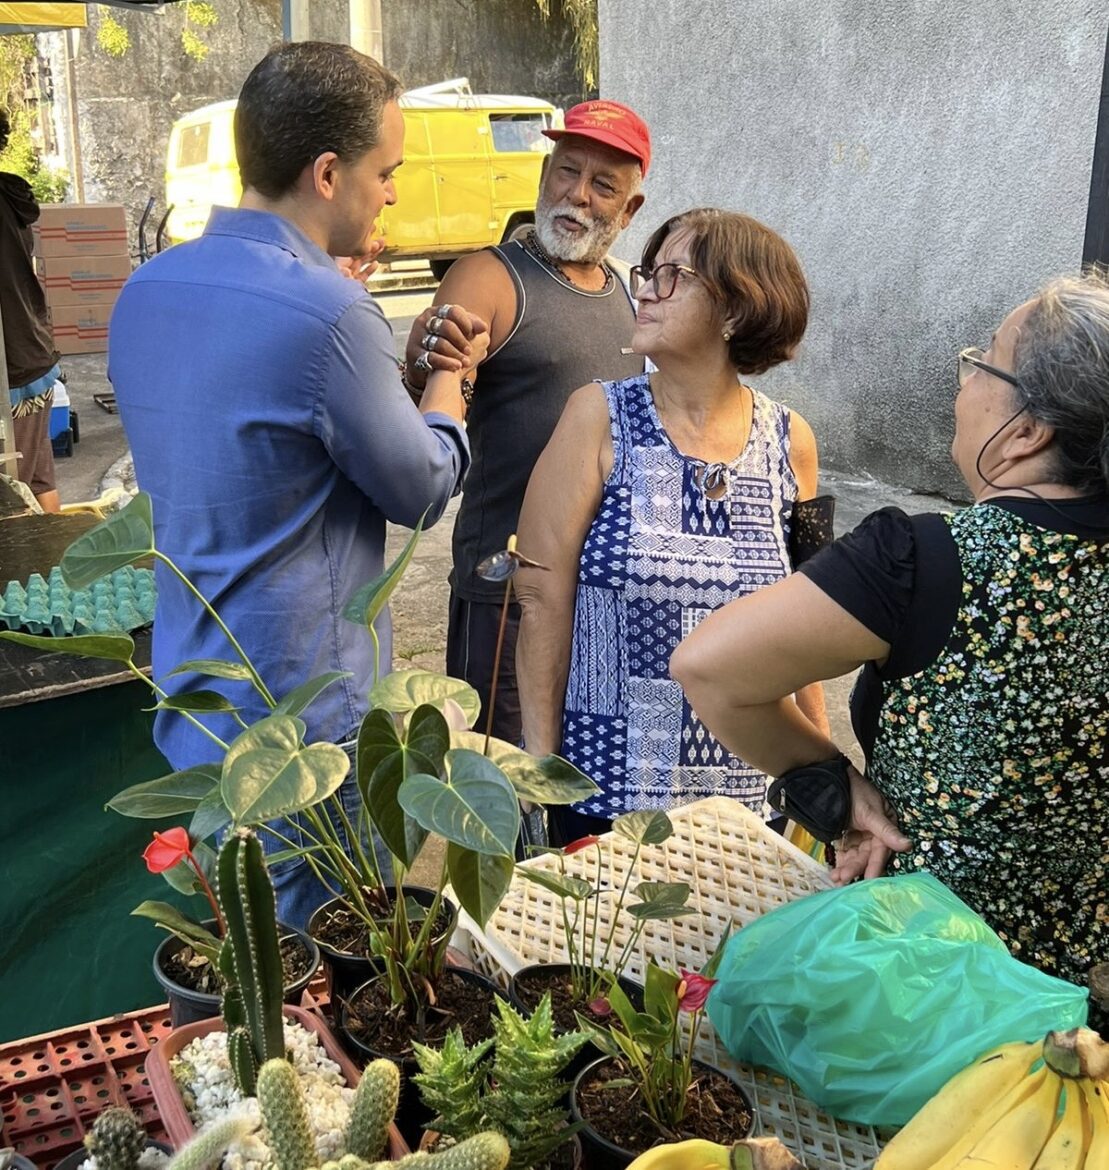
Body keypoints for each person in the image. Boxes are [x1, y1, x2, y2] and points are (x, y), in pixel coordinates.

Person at [109, 42, 486, 927]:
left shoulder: (147, 290)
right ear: (327, 172)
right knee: (311, 979)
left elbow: (262, 446)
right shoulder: (330, 312)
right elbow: (422, 487)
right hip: (303, 721)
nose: (390, 193)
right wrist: (447, 377)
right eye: (383, 171)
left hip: (196, 696)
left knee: (233, 947)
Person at [671, 273, 1109, 1012]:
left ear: (1028, 431)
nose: (963, 379)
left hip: (919, 987)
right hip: (1070, 1005)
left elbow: (708, 666)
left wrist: (832, 787)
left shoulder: (925, 560)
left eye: (983, 362)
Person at [514, 208, 828, 844]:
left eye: (670, 276)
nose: (645, 291)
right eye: (646, 273)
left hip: (748, 797)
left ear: (737, 308)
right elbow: (542, 596)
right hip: (608, 788)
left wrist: (820, 775)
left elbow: (810, 624)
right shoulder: (598, 418)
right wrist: (536, 782)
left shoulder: (791, 443)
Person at [400, 100, 649, 750]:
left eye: (602, 186)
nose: (577, 194)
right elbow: (436, 401)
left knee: (582, 780)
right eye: (567, 171)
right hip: (506, 593)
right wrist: (425, 362)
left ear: (630, 210)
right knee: (504, 779)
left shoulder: (628, 296)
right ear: (544, 175)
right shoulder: (489, 276)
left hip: (601, 590)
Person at [0, 108, 61, 513]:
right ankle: (52, 570)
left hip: (11, 372)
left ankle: (40, 573)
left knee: (13, 494)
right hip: (32, 357)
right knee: (36, 478)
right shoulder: (10, 196)